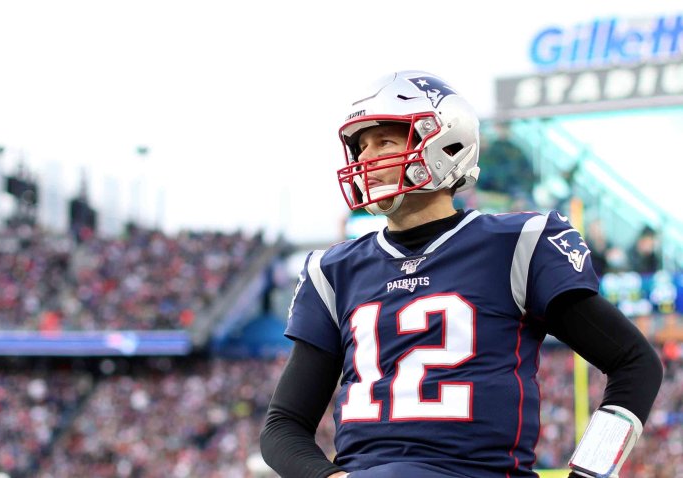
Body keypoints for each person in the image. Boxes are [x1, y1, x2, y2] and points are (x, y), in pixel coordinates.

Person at [260, 70, 663, 478]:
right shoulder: (333, 271)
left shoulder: (516, 244)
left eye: (384, 140)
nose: (365, 158)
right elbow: (284, 426)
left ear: (445, 145)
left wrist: (590, 471)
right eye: (361, 146)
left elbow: (634, 361)